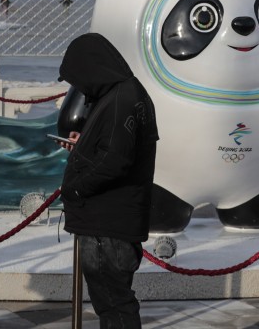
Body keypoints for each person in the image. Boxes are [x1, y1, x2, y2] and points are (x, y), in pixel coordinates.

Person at [58, 33, 159, 329]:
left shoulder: (121, 100)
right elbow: (114, 146)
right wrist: (84, 142)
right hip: (115, 222)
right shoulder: (126, 94)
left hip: (107, 226)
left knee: (114, 306)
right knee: (116, 304)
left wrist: (75, 189)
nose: (79, 88)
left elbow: (115, 161)